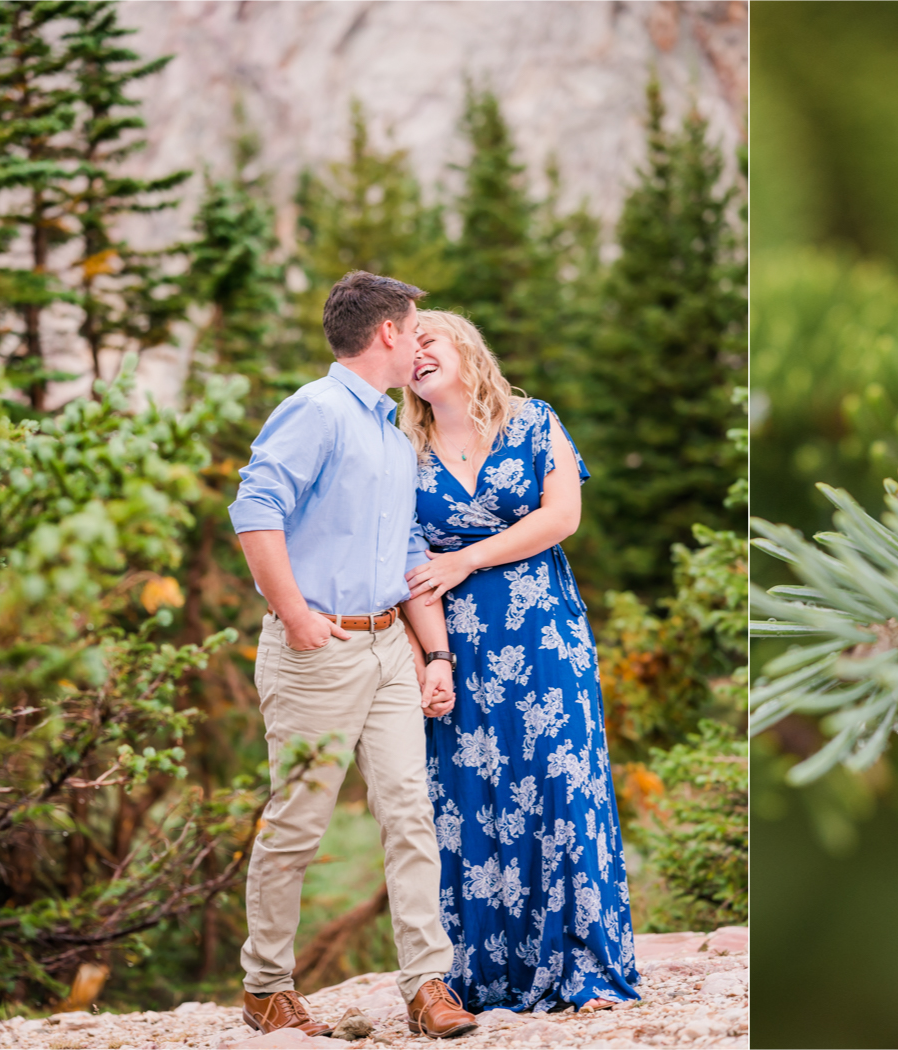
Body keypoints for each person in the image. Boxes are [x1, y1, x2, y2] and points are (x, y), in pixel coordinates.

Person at [228, 272, 478, 1040]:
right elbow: (255, 508)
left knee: (410, 815)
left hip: (387, 652)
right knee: (298, 823)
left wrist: (433, 652)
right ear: (389, 336)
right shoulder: (316, 410)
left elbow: (405, 550)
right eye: (415, 327)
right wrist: (295, 614)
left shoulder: (394, 435)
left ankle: (426, 986)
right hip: (318, 650)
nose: (419, 339)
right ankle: (266, 986)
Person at [400, 310, 639, 1013]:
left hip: (541, 632)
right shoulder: (400, 447)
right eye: (407, 350)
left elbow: (561, 516)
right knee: (470, 795)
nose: (417, 357)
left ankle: (584, 966)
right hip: (458, 642)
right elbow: (408, 564)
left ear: (465, 346)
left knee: (560, 780)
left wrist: (466, 558)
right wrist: (428, 657)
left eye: (428, 341)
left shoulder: (534, 421)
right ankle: (485, 972)